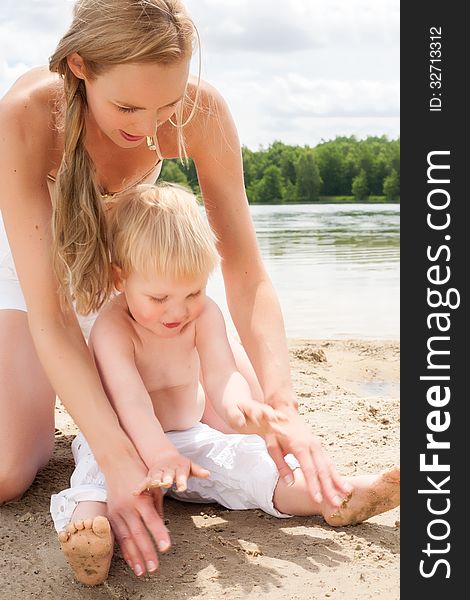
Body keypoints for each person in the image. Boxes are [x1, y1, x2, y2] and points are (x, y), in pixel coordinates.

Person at [0, 0, 384, 578]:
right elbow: (53, 318)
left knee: (243, 425)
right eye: (127, 106)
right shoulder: (27, 114)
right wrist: (117, 457)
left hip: (136, 276)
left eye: (166, 105)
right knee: (8, 470)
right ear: (80, 67)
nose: (148, 127)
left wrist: (283, 406)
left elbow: (247, 274)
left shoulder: (201, 114)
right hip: (32, 269)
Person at [49, 183, 400, 585]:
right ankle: (90, 536)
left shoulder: (204, 314)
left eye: (193, 292)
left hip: (190, 437)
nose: (177, 311)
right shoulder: (113, 328)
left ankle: (341, 496)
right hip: (122, 441)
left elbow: (221, 374)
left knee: (254, 465)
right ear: (119, 277)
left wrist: (241, 409)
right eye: (159, 297)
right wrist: (159, 454)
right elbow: (130, 403)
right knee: (94, 479)